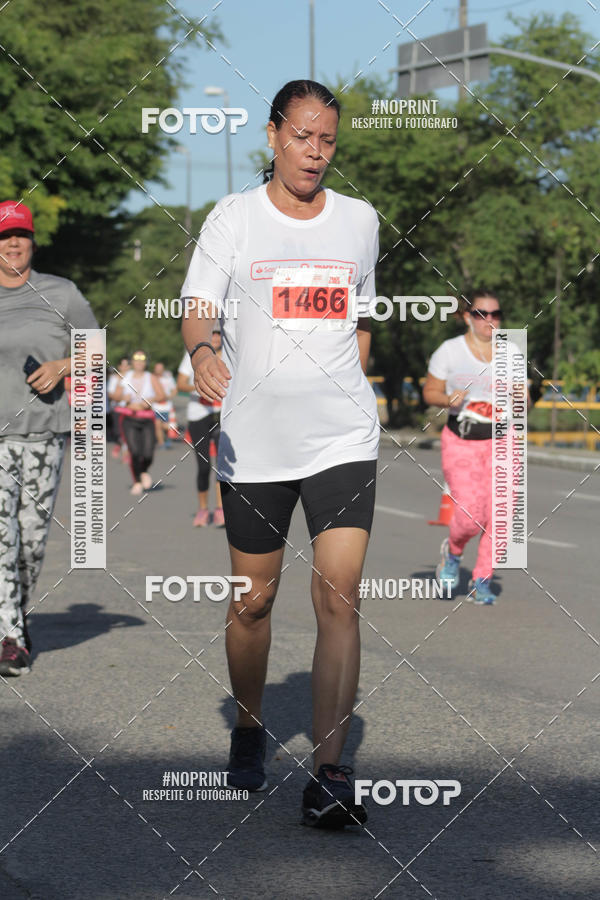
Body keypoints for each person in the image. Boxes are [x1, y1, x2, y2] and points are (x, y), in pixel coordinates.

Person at [181, 80, 380, 828]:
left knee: (339, 594)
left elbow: (362, 318)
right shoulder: (233, 217)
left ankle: (330, 774)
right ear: (272, 136)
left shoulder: (360, 221)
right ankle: (250, 723)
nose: (314, 152)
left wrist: (352, 393)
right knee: (253, 601)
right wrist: (204, 351)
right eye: (302, 136)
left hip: (341, 437)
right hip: (255, 442)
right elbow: (198, 307)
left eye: (327, 139)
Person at [0, 200, 98, 675]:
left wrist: (63, 366)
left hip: (44, 435)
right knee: (2, 535)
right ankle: (9, 637)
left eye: (20, 235)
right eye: (4, 237)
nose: (12, 244)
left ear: (33, 241)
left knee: (32, 541)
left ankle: (14, 618)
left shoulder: (61, 292)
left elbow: (96, 349)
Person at [423, 290, 527, 605]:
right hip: (462, 441)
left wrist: (521, 397)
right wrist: (446, 399)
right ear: (469, 317)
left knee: (501, 514)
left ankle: (482, 579)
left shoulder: (511, 351)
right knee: (470, 516)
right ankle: (454, 553)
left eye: (496, 314)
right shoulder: (450, 351)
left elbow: (524, 400)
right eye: (482, 314)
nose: (490, 320)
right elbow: (429, 391)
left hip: (503, 440)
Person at [177, 329, 224, 527]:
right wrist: (200, 387)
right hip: (199, 415)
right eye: (212, 333)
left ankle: (221, 510)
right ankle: (203, 509)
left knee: (222, 466)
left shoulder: (229, 355)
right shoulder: (193, 356)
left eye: (218, 334)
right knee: (204, 466)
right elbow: (180, 384)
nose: (215, 337)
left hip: (222, 415)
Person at [111, 351, 165, 495]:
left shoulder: (151, 377)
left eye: (142, 360)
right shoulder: (125, 377)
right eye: (136, 360)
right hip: (129, 418)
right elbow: (115, 396)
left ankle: (144, 471)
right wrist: (123, 397)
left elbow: (162, 395)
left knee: (148, 452)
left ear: (146, 363)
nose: (139, 363)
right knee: (134, 451)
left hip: (146, 418)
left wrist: (151, 400)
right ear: (132, 362)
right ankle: (137, 481)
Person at [107, 356, 130, 458]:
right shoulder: (114, 378)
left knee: (127, 430)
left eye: (127, 365)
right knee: (118, 431)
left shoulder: (133, 377)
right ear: (119, 366)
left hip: (129, 408)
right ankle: (119, 444)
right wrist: (121, 397)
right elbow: (111, 394)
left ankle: (126, 451)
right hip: (117, 408)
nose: (124, 368)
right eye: (122, 365)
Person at [152, 362, 178, 449]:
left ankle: (167, 439)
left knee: (166, 426)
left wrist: (168, 397)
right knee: (157, 425)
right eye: (157, 368)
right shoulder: (151, 378)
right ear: (155, 369)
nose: (159, 370)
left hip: (167, 407)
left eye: (161, 368)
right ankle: (161, 443)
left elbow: (174, 390)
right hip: (155, 407)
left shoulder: (168, 379)